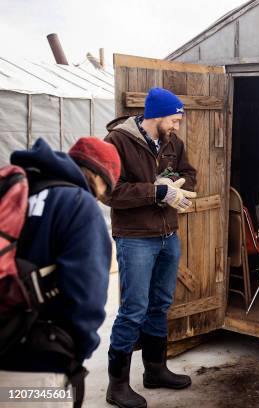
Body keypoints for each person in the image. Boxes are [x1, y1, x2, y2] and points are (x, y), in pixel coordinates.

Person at [0, 136, 121, 407]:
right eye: (105, 189)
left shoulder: (13, 192)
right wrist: (75, 351)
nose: (101, 196)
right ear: (98, 176)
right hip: (36, 367)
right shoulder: (78, 203)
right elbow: (86, 296)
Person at [104, 87, 197, 408]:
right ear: (156, 116)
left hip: (168, 234)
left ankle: (155, 370)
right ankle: (117, 386)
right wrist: (157, 192)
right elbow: (110, 191)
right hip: (135, 237)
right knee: (134, 309)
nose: (177, 126)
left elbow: (189, 174)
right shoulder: (117, 142)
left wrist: (178, 187)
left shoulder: (172, 142)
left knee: (160, 304)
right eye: (174, 119)